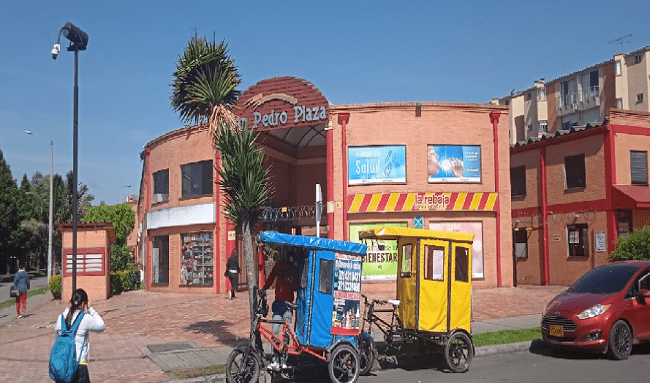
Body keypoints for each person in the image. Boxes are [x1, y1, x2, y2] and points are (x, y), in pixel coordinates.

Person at [55, 288, 105, 382]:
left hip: (63, 365)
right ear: (83, 304)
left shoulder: (60, 318)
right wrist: (91, 309)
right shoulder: (85, 318)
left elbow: (57, 338)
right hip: (79, 366)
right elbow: (101, 326)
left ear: (71, 301)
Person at [261, 249, 300, 370]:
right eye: (288, 259)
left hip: (288, 305)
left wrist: (290, 279)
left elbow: (296, 286)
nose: (290, 262)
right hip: (278, 304)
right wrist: (264, 288)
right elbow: (271, 277)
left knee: (286, 335)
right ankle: (275, 360)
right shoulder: (279, 265)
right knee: (274, 332)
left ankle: (284, 360)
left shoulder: (295, 269)